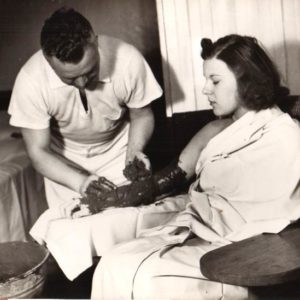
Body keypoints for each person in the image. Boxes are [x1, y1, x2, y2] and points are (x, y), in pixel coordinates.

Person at [91, 34, 300, 299]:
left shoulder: (285, 135)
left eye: (215, 81)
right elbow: (172, 177)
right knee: (113, 261)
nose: (205, 89)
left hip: (245, 248)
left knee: (145, 277)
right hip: (200, 229)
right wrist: (125, 191)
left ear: (247, 80)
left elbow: (275, 214)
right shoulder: (215, 128)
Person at [8, 7, 184, 280]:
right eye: (69, 78)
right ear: (48, 60)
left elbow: (142, 114)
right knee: (76, 248)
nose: (81, 82)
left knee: (126, 243)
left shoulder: (128, 60)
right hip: (64, 164)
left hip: (119, 151)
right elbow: (38, 152)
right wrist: (82, 182)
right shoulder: (31, 80)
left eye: (88, 72)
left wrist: (134, 151)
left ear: (94, 40)